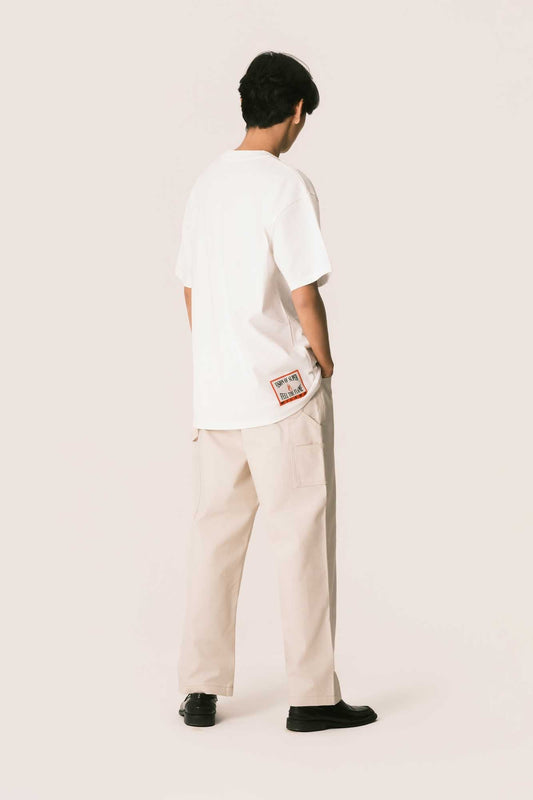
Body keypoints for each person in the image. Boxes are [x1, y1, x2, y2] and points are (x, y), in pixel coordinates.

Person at [174, 51, 377, 732]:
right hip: (281, 396)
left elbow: (190, 290)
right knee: (301, 540)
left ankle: (200, 690)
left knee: (214, 543)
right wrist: (325, 361)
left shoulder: (205, 185)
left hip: (217, 397)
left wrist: (220, 357)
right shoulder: (285, 184)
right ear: (294, 112)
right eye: (302, 116)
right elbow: (304, 291)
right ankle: (313, 698)